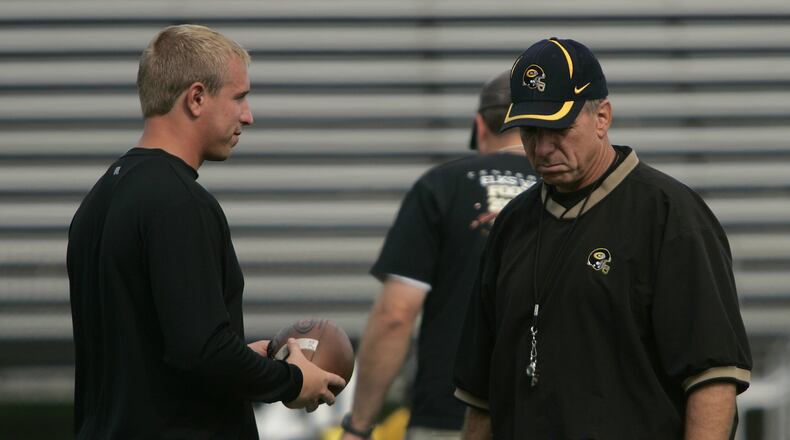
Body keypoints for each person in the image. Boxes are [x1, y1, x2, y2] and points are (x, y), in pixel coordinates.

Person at [453, 38, 753, 439]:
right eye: (529, 131)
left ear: (603, 117)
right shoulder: (511, 226)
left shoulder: (669, 215)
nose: (542, 148)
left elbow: (712, 378)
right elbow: (482, 396)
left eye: (558, 127)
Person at [66, 24, 344, 439]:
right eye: (239, 98)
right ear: (196, 98)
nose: (248, 116)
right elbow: (201, 352)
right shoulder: (179, 201)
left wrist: (250, 360)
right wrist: (291, 380)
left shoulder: (101, 196)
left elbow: (161, 346)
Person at [340, 71, 538, 440]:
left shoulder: (441, 187)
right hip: (551, 417)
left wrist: (360, 425)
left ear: (481, 126)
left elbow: (395, 315)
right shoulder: (568, 190)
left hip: (449, 417)